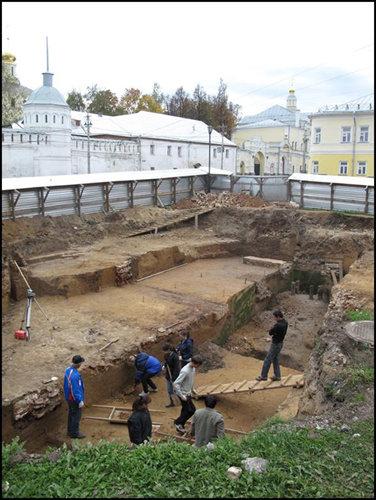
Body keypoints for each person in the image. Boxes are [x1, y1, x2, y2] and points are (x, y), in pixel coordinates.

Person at [173, 355, 203, 433]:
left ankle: (180, 425)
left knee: (185, 409)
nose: (198, 367)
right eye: (197, 365)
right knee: (191, 410)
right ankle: (178, 422)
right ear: (193, 363)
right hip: (184, 394)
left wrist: (193, 389)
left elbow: (190, 380)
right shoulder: (185, 371)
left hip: (188, 392)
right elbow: (176, 383)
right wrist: (181, 395)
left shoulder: (193, 369)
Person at [256, 310, 288, 381]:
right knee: (275, 358)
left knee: (268, 359)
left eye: (275, 317)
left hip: (275, 344)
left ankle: (263, 376)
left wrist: (272, 329)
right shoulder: (285, 323)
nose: (274, 319)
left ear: (279, 317)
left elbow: (270, 333)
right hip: (280, 343)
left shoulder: (278, 325)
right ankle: (277, 375)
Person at [64, 354, 86, 439]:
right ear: (79, 364)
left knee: (71, 414)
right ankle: (75, 433)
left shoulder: (68, 370)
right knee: (76, 416)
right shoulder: (75, 376)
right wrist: (79, 400)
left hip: (69, 397)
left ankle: (70, 431)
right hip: (74, 399)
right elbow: (75, 390)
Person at [162, 343, 180, 407]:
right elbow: (166, 362)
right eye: (163, 351)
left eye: (165, 351)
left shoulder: (175, 357)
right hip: (168, 375)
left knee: (177, 389)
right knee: (169, 390)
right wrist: (164, 366)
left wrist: (173, 378)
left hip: (175, 375)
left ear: (169, 350)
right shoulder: (166, 355)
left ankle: (180, 400)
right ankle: (172, 402)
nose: (164, 352)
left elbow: (176, 368)